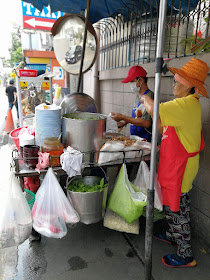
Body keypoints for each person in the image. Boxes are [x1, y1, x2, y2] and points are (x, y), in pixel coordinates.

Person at [141, 58, 209, 268]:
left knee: (178, 209)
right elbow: (163, 128)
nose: (173, 84)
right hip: (177, 165)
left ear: (188, 85)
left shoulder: (185, 104)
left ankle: (185, 253)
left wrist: (144, 98)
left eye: (176, 81)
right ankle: (173, 234)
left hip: (180, 169)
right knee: (175, 205)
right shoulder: (186, 106)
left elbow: (153, 108)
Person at [111, 66, 154, 142]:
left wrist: (122, 117)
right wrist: (124, 123)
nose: (130, 84)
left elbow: (146, 123)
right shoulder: (138, 96)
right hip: (136, 138)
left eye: (132, 81)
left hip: (145, 140)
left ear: (140, 80)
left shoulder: (149, 97)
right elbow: (137, 115)